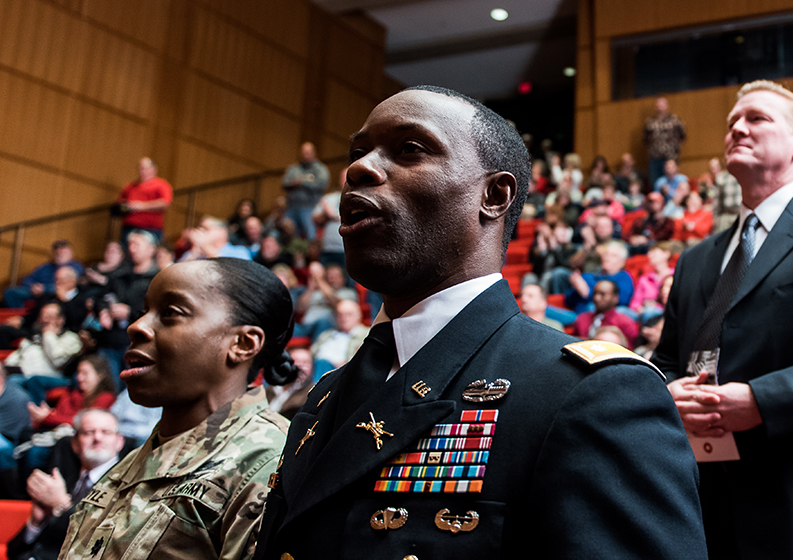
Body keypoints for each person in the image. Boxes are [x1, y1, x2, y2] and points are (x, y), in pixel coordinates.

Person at [255, 85, 706, 559]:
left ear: (493, 195)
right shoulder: (327, 393)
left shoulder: (591, 393)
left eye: (409, 149)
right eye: (359, 152)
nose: (358, 169)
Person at [653, 79, 793, 559]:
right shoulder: (695, 259)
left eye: (756, 118)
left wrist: (764, 400)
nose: (737, 128)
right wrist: (665, 392)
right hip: (703, 499)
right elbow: (666, 359)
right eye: (731, 123)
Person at [58, 258, 297, 560]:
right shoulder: (131, 462)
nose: (136, 326)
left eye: (170, 313)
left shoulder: (272, 462)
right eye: (143, 312)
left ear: (243, 343)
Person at [7, 409, 124, 560]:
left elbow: (103, 542)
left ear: (120, 441)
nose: (97, 437)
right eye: (88, 432)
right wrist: (36, 522)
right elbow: (13, 552)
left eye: (106, 432)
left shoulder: (125, 487)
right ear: (74, 443)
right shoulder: (64, 483)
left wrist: (61, 505)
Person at [28, 355, 116, 430]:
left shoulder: (106, 398)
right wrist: (47, 413)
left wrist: (48, 417)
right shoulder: (71, 393)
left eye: (85, 373)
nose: (79, 378)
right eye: (78, 373)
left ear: (99, 376)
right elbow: (61, 415)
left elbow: (85, 423)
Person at [3, 240, 85, 309]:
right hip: (36, 292)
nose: (60, 255)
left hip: (56, 294)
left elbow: (70, 285)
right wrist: (33, 286)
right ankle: (18, 317)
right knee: (11, 292)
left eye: (63, 252)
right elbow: (27, 278)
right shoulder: (46, 267)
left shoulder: (76, 267)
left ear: (70, 252)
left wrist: (44, 289)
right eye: (57, 252)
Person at [115, 157, 173, 244]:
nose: (142, 171)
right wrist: (127, 207)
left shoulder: (161, 185)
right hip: (129, 227)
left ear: (153, 169)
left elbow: (165, 202)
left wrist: (142, 206)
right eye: (141, 168)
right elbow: (120, 203)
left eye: (145, 168)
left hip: (150, 228)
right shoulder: (130, 186)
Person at [311, 298, 369, 380]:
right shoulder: (325, 335)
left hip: (344, 373)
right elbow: (311, 355)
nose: (344, 318)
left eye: (349, 314)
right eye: (340, 314)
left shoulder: (367, 334)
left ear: (359, 316)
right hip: (319, 369)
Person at [282, 142, 330, 240]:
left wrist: (302, 182)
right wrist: (296, 183)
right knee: (287, 233)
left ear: (314, 153)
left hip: (310, 208)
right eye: (303, 152)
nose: (305, 155)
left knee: (310, 235)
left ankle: (310, 254)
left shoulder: (320, 169)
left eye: (308, 152)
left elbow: (323, 184)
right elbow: (284, 182)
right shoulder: (293, 168)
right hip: (292, 207)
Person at [574, 280, 639, 348]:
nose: (596, 298)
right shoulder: (582, 319)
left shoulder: (626, 324)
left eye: (602, 294)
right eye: (595, 293)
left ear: (615, 297)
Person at [645, 97, 686, 188]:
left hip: (670, 157)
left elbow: (682, 136)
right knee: (656, 183)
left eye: (662, 105)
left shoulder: (675, 120)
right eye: (658, 105)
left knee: (672, 183)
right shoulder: (650, 122)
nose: (660, 107)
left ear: (667, 106)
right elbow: (646, 140)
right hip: (655, 157)